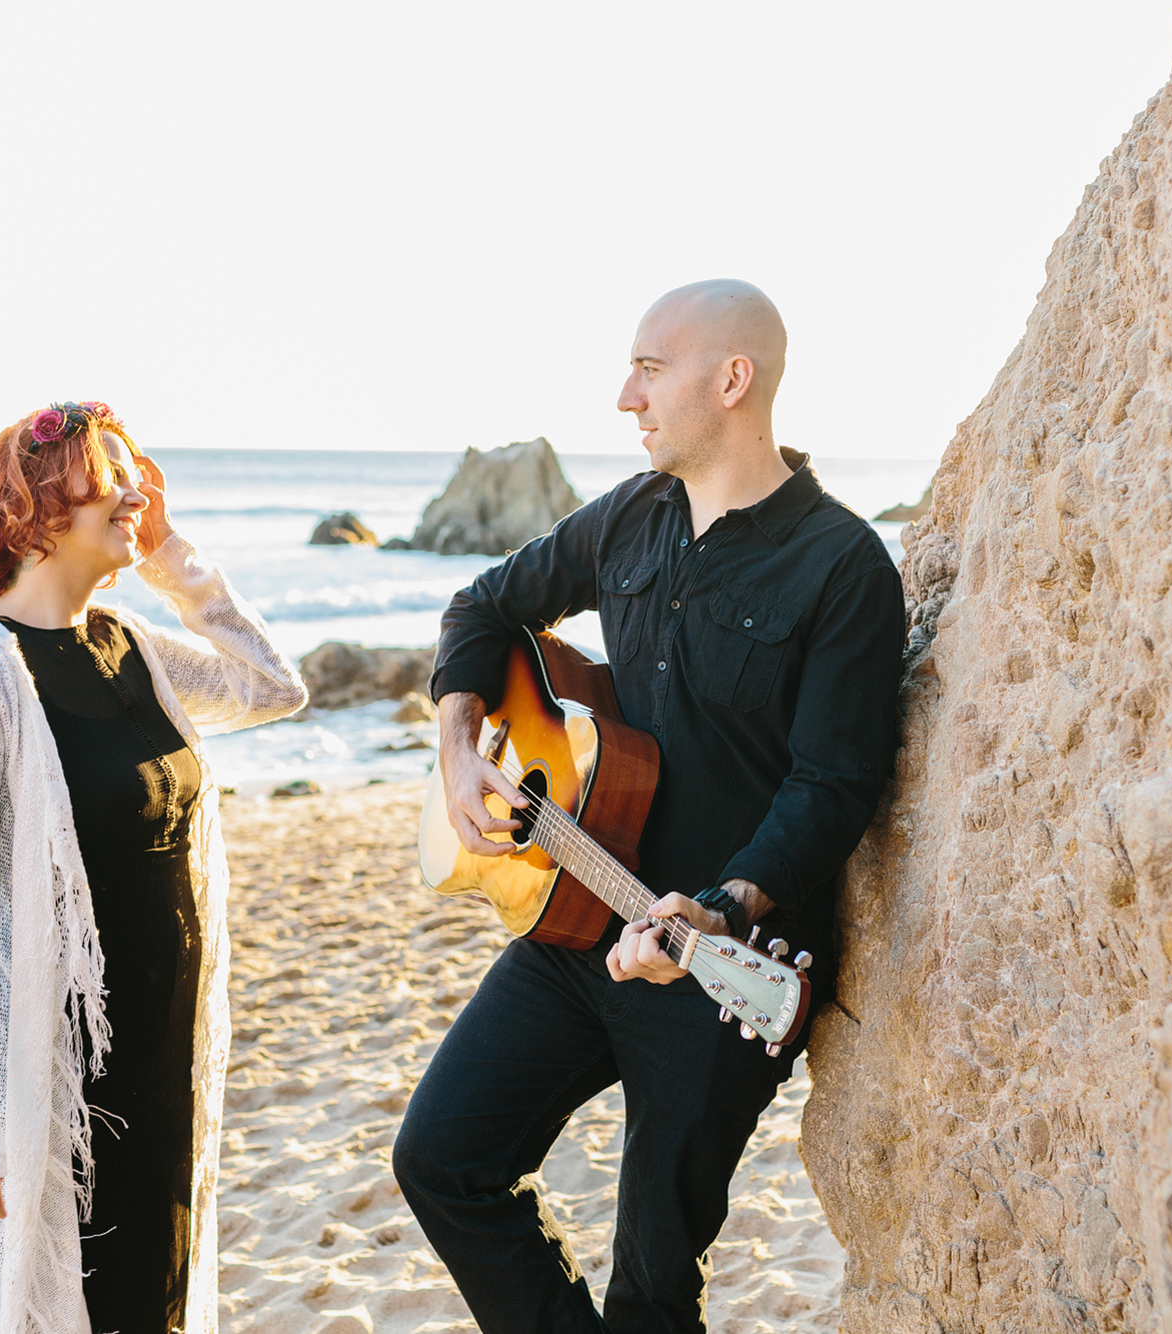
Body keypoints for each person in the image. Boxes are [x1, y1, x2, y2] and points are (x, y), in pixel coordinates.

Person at [393, 281, 906, 1333]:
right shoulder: (631, 514)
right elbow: (482, 605)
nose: (624, 393)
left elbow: (833, 781)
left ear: (732, 379)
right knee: (441, 1159)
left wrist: (714, 906)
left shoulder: (841, 564)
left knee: (653, 1283)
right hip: (575, 921)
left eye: (647, 365)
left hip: (719, 969)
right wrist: (455, 749)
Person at [0, 402, 307, 1333]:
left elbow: (273, 687)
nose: (138, 491)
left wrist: (174, 561)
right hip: (53, 1065)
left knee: (149, 1288)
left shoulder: (129, 645)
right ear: (39, 505)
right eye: (111, 473)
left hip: (166, 1040)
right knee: (48, 1295)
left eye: (134, 474)